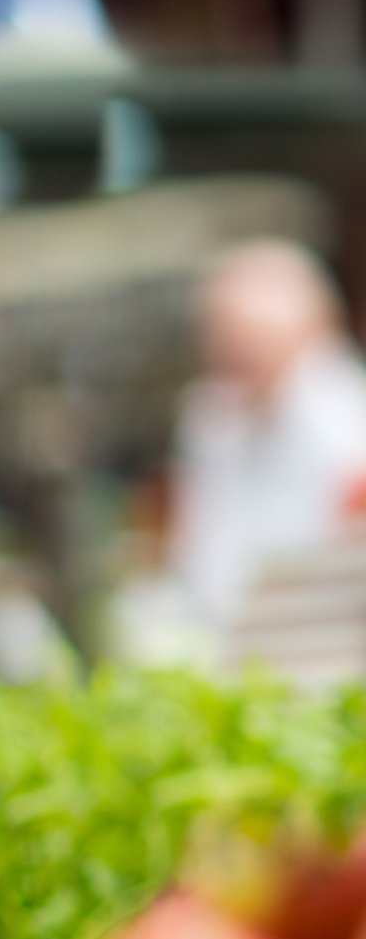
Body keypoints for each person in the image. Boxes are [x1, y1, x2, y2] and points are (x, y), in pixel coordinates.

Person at [170, 237, 366, 642]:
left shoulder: (345, 418)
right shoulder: (211, 418)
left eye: (252, 345)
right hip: (228, 646)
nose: (233, 357)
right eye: (223, 341)